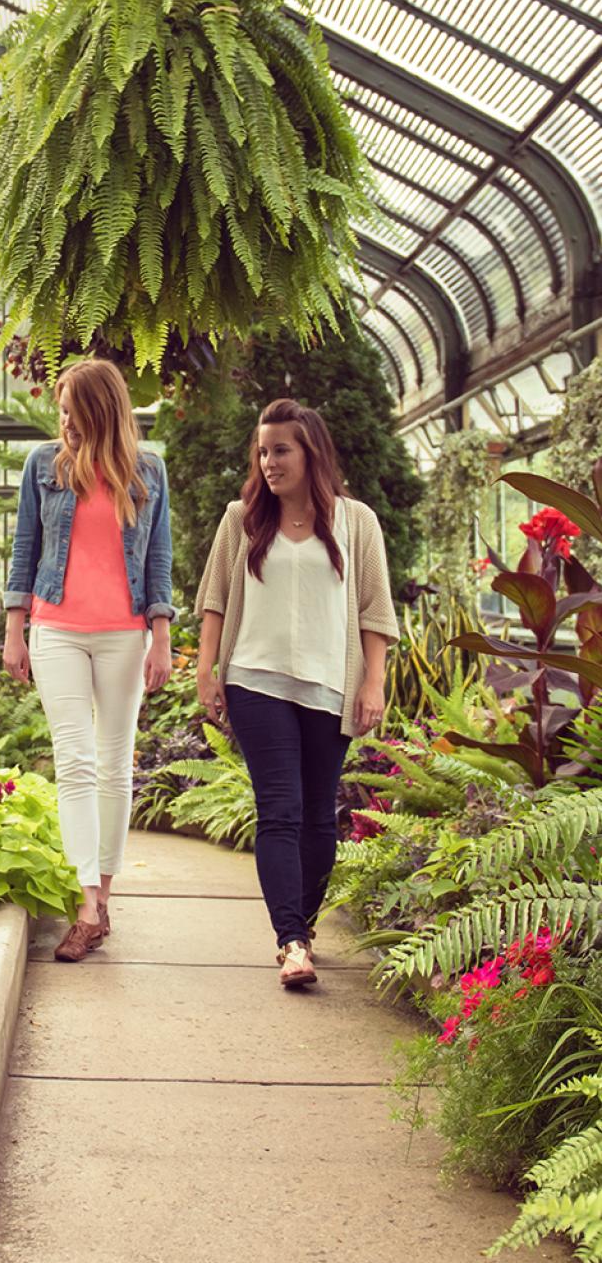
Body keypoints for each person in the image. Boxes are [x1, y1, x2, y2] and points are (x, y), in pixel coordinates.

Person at [194, 399, 398, 988]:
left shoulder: (356, 522)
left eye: (280, 449)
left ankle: (301, 927)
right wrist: (207, 671)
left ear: (311, 452)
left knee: (318, 817)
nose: (269, 461)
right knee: (278, 810)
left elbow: (375, 613)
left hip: (329, 687)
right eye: (262, 451)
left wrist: (373, 683)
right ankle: (291, 941)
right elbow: (215, 601)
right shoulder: (242, 519)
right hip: (256, 682)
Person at [2, 358, 175, 962]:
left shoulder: (147, 471)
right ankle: (87, 904)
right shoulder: (44, 467)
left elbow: (159, 558)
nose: (65, 419)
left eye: (73, 407)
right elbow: (25, 546)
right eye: (62, 408)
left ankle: (103, 891)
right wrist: (14, 630)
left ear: (100, 409)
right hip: (57, 630)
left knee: (114, 763)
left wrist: (162, 637)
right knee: (74, 761)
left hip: (124, 634)